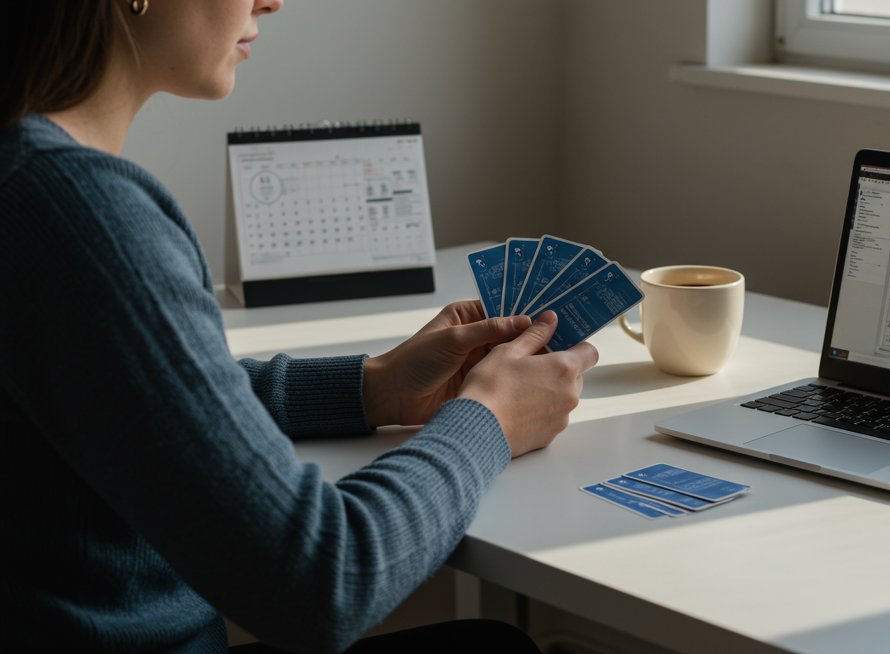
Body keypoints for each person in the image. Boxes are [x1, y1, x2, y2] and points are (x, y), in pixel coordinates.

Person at [0, 1, 598, 652]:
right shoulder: (78, 213)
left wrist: (371, 387)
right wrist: (489, 420)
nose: (272, 0)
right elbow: (324, 581)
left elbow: (133, 400)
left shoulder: (32, 181)